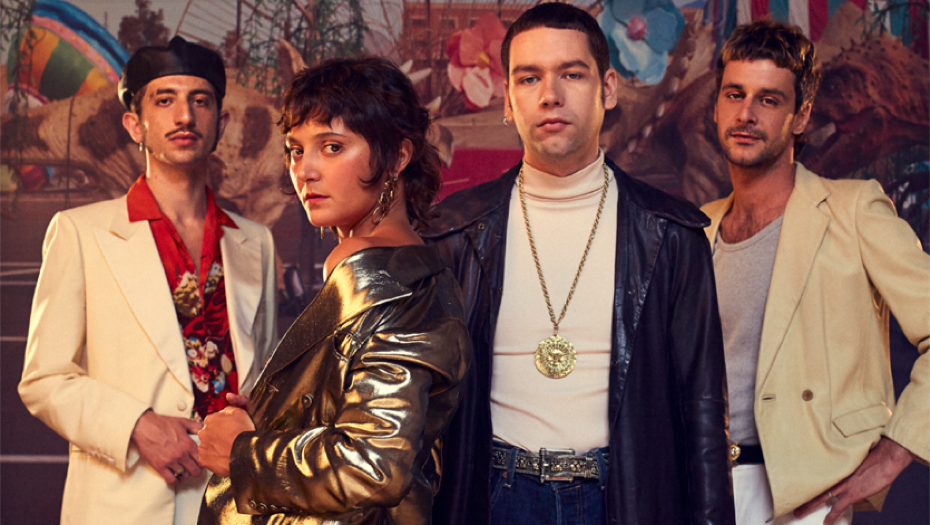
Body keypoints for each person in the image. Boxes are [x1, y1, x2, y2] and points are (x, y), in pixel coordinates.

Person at [420, 4, 735, 524]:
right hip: (494, 497)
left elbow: (703, 410)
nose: (550, 95)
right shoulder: (452, 230)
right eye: (529, 78)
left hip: (625, 498)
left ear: (607, 89)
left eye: (572, 74)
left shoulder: (673, 234)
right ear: (508, 100)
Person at [196, 57, 471, 524]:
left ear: (398, 157)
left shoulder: (385, 278)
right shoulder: (403, 267)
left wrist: (244, 454)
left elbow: (374, 465)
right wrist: (272, 413)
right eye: (296, 149)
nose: (305, 170)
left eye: (332, 146)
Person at [18, 36, 278, 525]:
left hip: (239, 502)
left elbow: (262, 377)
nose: (184, 116)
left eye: (200, 101)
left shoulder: (256, 241)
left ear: (220, 124)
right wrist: (135, 425)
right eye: (164, 100)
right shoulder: (81, 232)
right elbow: (44, 379)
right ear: (134, 125)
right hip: (127, 504)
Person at [703, 19, 929, 525]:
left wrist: (897, 451)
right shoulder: (697, 227)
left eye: (768, 99)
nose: (746, 113)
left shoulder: (853, 210)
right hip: (702, 488)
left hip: (809, 495)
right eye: (735, 94)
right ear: (716, 106)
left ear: (801, 116)